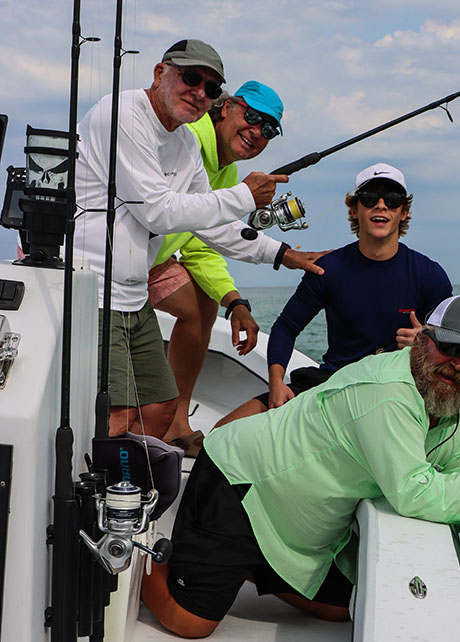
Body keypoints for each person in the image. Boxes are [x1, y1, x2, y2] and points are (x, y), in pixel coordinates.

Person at [141, 294, 460, 638]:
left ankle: (247, 564)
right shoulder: (388, 393)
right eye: (448, 347)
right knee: (189, 623)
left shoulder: (459, 416)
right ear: (421, 341)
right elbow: (415, 493)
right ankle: (142, 560)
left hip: (294, 523)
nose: (457, 364)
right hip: (241, 484)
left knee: (339, 608)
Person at [73, 39, 325, 440]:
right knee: (117, 417)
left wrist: (281, 253)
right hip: (94, 290)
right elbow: (158, 210)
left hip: (133, 291)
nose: (199, 92)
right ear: (159, 73)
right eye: (191, 78)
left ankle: (134, 486)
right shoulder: (122, 114)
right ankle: (95, 495)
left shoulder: (184, 141)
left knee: (159, 407)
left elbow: (208, 228)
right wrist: (245, 195)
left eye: (210, 87)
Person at [216, 162, 452, 424]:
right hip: (334, 383)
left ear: (404, 212)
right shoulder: (328, 269)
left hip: (398, 391)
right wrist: (276, 383)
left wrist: (424, 345)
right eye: (370, 198)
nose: (381, 205)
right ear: (354, 209)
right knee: (223, 430)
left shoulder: (429, 275)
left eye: (393, 200)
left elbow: (453, 348)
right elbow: (286, 327)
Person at [147, 80, 290, 454]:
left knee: (202, 304)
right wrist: (283, 254)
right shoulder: (187, 138)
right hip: (111, 264)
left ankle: (176, 423)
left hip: (152, 261)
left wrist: (234, 302)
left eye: (269, 129)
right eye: (253, 117)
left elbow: (199, 244)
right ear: (226, 108)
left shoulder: (225, 172)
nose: (257, 132)